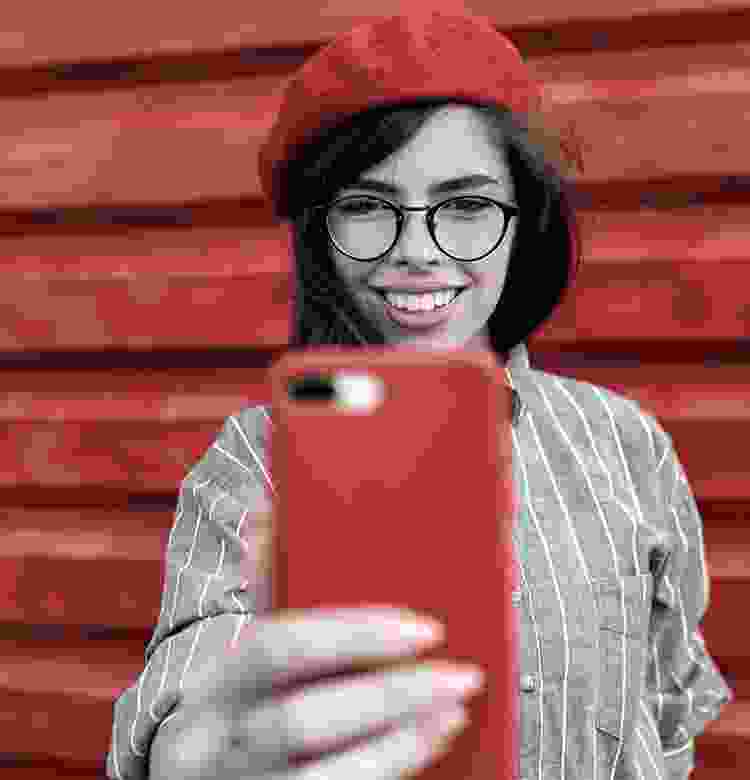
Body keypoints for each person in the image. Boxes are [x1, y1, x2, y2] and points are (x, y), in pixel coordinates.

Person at [106, 7, 733, 780]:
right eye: (367, 207)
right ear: (320, 232)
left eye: (466, 205)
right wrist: (197, 753)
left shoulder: (625, 443)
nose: (417, 251)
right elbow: (190, 690)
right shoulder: (256, 461)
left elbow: (668, 710)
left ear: (525, 221)